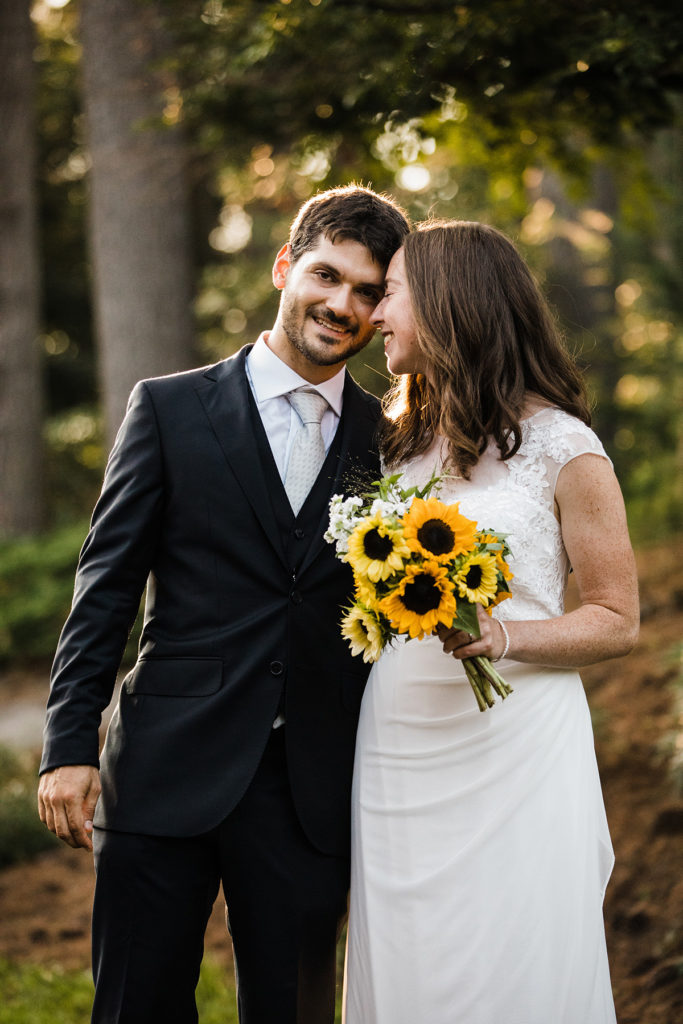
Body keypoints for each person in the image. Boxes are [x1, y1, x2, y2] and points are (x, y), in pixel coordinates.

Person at [37, 184, 410, 1024]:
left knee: (295, 1009)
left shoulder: (387, 440)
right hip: (165, 765)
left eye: (366, 291)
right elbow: (105, 587)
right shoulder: (168, 408)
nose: (340, 305)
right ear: (285, 266)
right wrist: (68, 746)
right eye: (326, 275)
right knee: (137, 1004)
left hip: (309, 786)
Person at [343, 220, 639, 1024]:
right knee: (409, 960)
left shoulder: (562, 445)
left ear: (447, 302)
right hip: (399, 749)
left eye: (389, 293)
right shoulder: (393, 445)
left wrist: (501, 636)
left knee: (513, 957)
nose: (374, 316)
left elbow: (616, 618)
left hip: (513, 748)